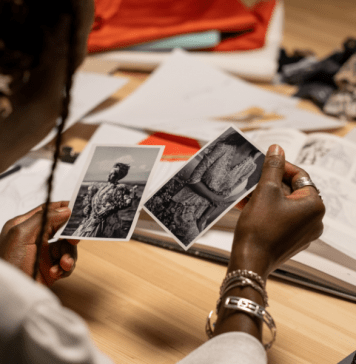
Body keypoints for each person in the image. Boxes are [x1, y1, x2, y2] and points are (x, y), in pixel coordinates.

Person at [0, 1, 325, 363]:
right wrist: (249, 272)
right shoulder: (26, 318)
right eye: (68, 81)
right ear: (6, 96)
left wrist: (10, 280)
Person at [146, 132, 261, 246]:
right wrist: (213, 197)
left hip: (201, 213)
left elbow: (224, 195)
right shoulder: (223, 148)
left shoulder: (251, 167)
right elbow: (193, 180)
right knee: (193, 240)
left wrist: (203, 218)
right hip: (183, 203)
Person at [71, 162, 137, 238]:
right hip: (93, 220)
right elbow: (95, 201)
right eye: (110, 173)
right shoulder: (101, 187)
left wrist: (109, 209)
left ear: (118, 177)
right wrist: (88, 207)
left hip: (106, 223)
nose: (109, 175)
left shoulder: (119, 188)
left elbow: (127, 203)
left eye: (113, 174)